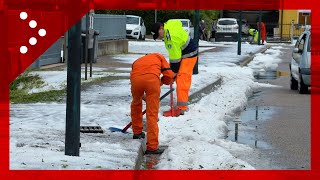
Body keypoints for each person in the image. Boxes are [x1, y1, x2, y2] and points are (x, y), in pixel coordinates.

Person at [151, 20, 198, 116]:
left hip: (189, 55)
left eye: (158, 35)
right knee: (174, 75)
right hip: (183, 53)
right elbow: (174, 57)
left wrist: (173, 73)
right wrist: (172, 72)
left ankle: (182, 108)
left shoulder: (170, 38)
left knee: (182, 79)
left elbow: (175, 59)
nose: (159, 38)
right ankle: (153, 88)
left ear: (161, 28)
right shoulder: (168, 25)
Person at [130, 53, 175, 154]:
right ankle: (152, 147)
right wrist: (162, 82)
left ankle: (137, 132)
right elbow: (169, 75)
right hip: (152, 82)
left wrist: (143, 95)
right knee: (152, 114)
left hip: (136, 81)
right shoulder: (159, 57)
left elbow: (136, 78)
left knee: (136, 104)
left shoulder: (137, 61)